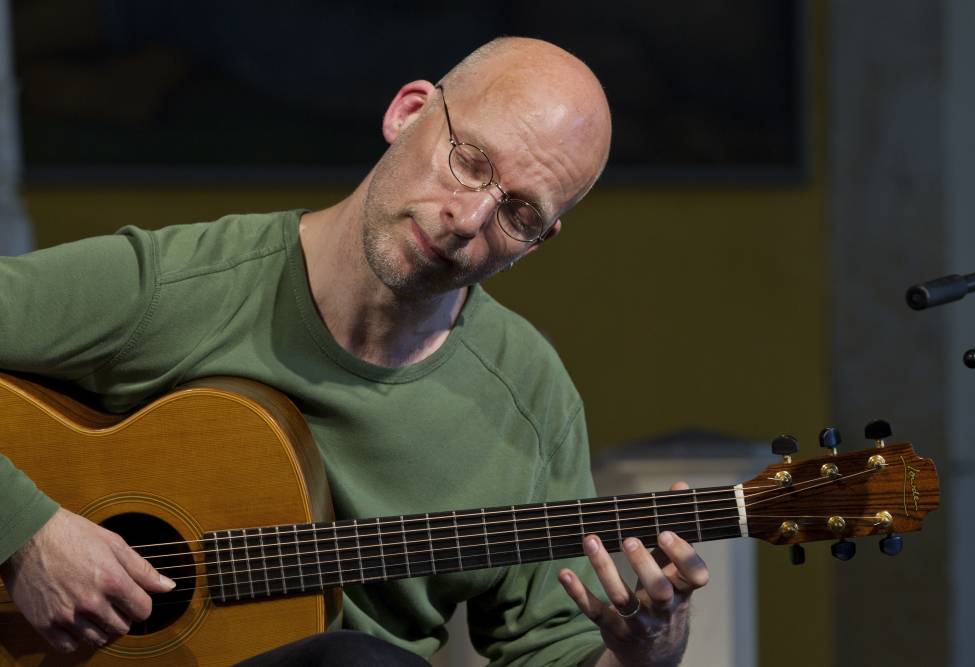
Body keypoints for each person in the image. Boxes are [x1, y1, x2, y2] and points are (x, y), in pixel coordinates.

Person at [0, 37, 709, 666]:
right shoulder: (178, 285)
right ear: (408, 113)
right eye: (469, 161)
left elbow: (547, 648)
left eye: (519, 212)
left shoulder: (530, 398)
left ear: (538, 243)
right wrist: (29, 533)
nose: (467, 218)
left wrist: (647, 652)